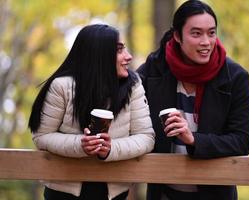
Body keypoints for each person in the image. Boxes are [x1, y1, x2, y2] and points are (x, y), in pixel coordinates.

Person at [137, 1, 249, 199]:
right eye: (196, 33)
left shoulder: (235, 77)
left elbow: (243, 140)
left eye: (211, 33)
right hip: (163, 192)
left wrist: (194, 140)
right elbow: (124, 100)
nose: (206, 42)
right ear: (177, 36)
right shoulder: (154, 68)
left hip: (215, 193)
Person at [28, 24, 155, 200]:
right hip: (63, 190)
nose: (128, 57)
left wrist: (110, 148)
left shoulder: (133, 86)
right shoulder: (62, 86)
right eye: (119, 50)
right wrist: (81, 145)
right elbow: (41, 136)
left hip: (114, 191)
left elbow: (146, 137)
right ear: (99, 55)